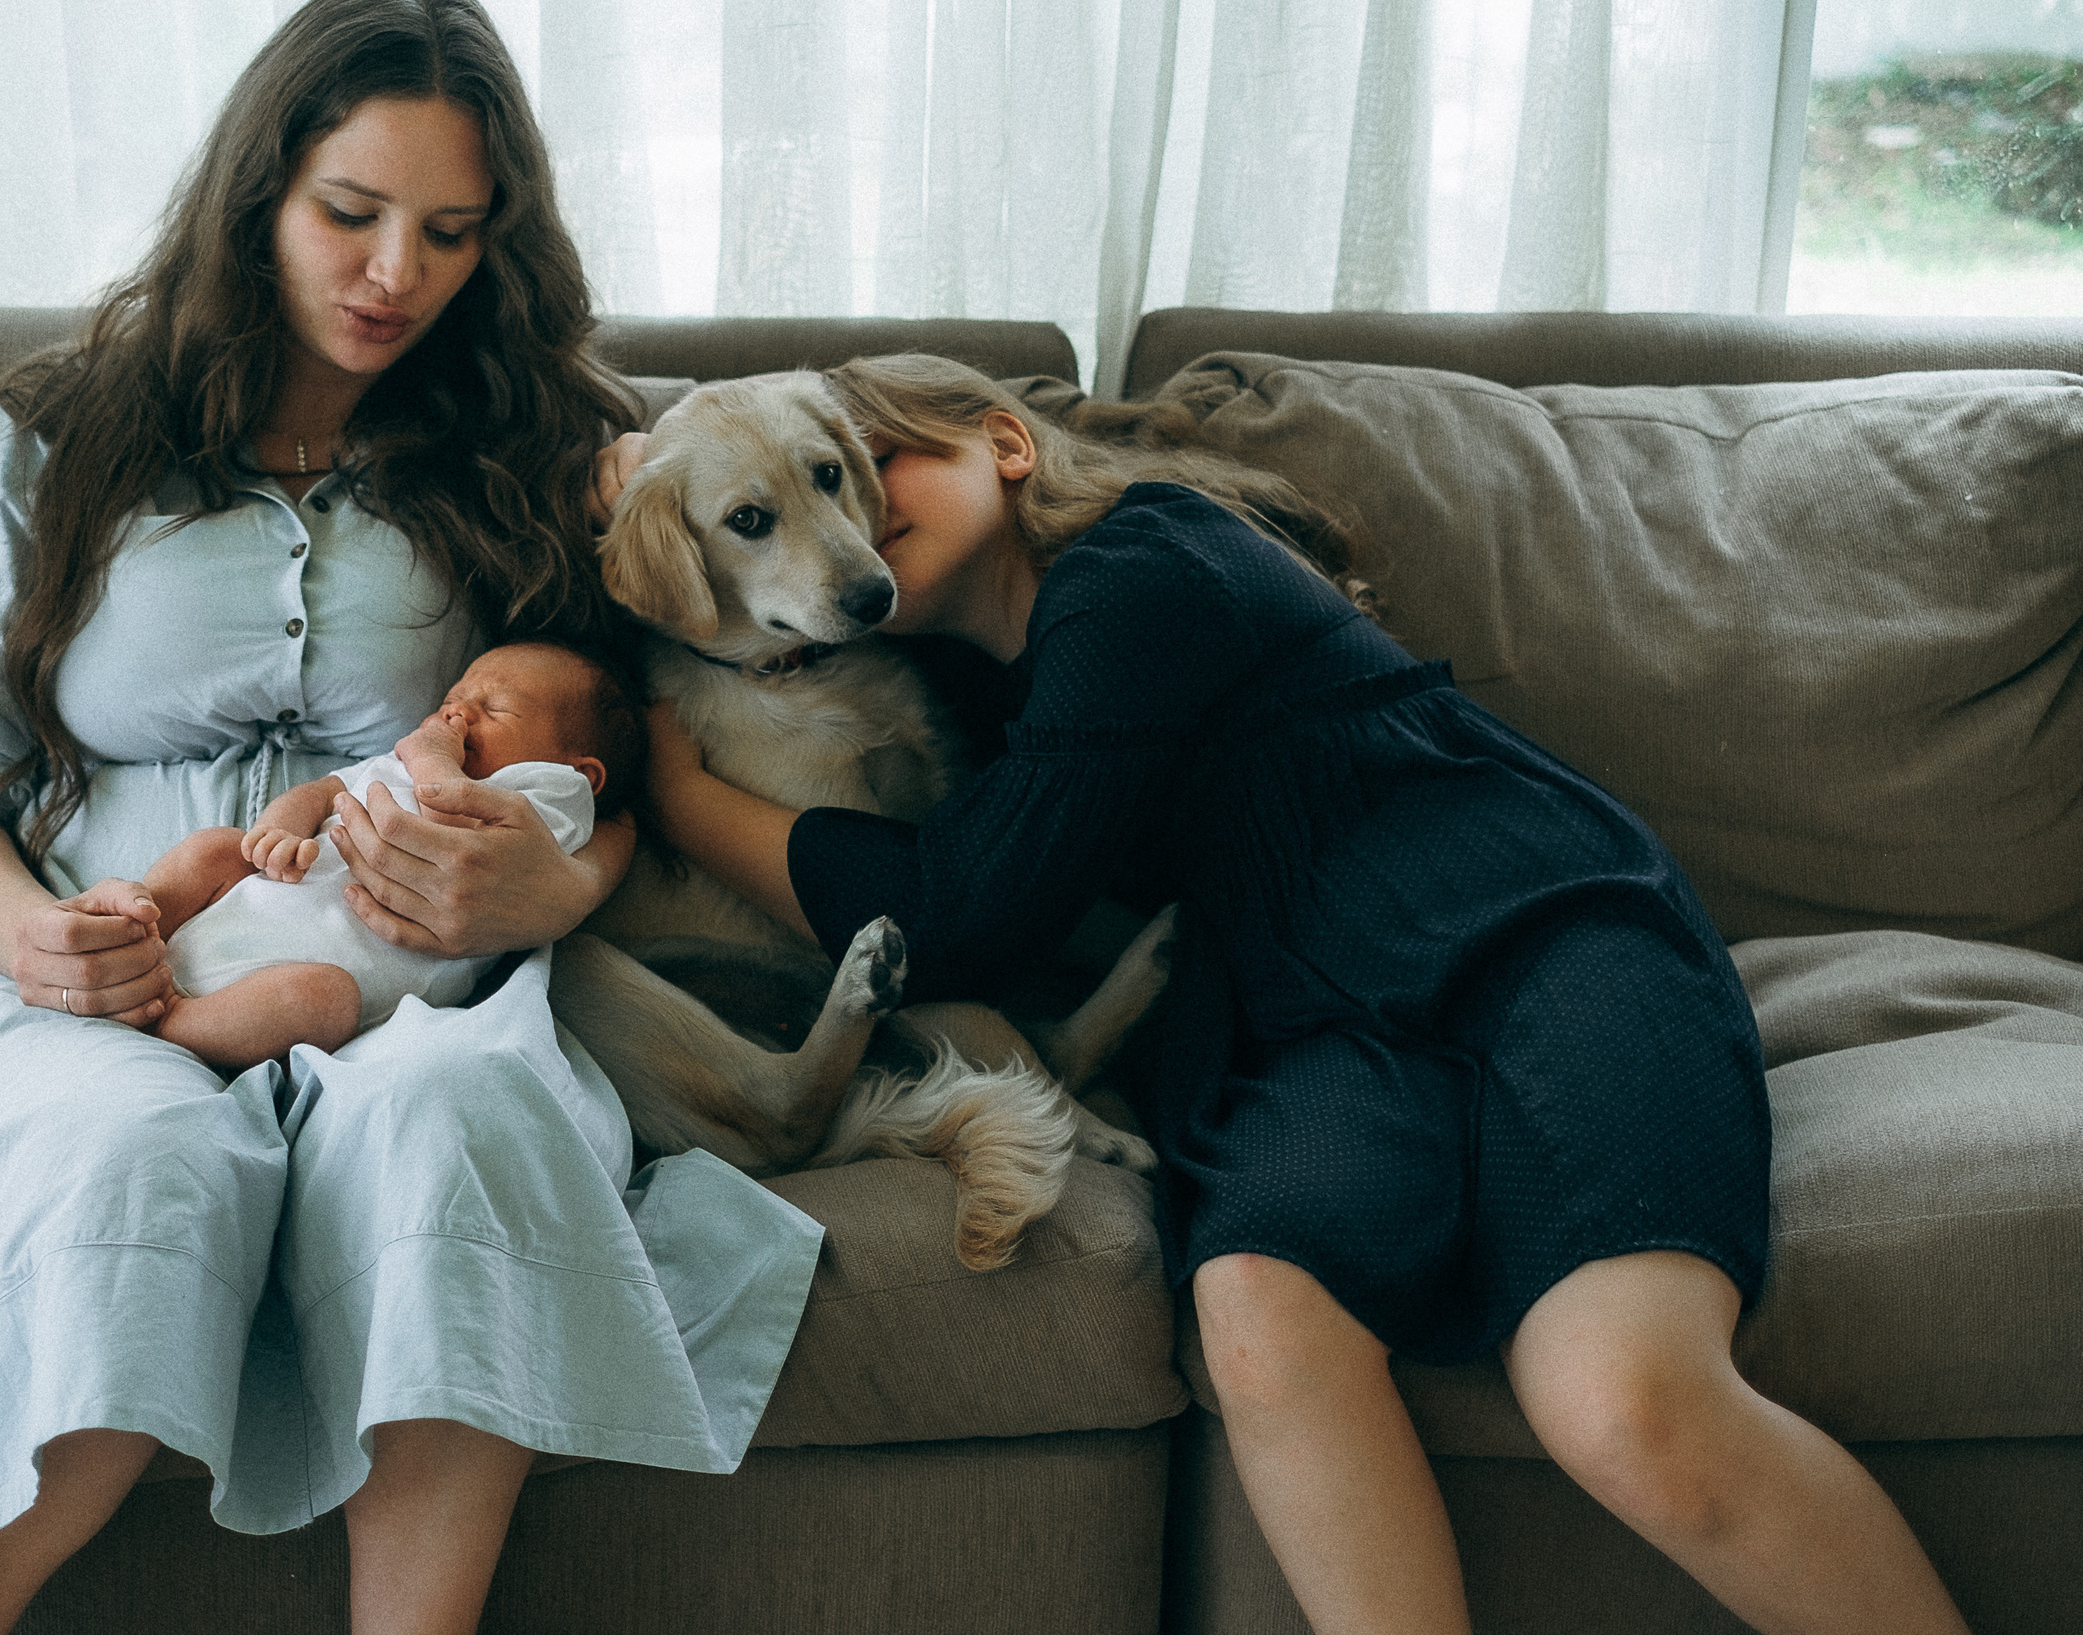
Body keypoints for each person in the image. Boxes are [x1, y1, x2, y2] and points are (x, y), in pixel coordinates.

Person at [0, 0, 820, 1635]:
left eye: (450, 232)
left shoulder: (546, 444)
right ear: (257, 197)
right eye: (351, 213)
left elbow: (633, 755)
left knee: (458, 1122)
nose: (396, 274)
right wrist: (36, 943)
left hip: (421, 991)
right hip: (105, 968)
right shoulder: (64, 436)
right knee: (127, 1152)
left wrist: (560, 892)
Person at [626, 352, 1971, 1635]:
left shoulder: (1143, 563)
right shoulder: (960, 689)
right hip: (1305, 1017)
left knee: (1619, 1399)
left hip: (1524, 927)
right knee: (1263, 1307)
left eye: (855, 463)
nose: (849, 512)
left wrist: (683, 802)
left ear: (1009, 444)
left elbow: (959, 913)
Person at [147, 641, 640, 1068]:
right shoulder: (398, 761)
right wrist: (278, 831)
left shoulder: (551, 794)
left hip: (286, 988)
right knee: (216, 847)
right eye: (451, 700)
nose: (457, 714)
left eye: (496, 710)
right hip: (242, 909)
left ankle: (169, 1020)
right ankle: (136, 926)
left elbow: (455, 844)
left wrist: (432, 757)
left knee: (323, 1001)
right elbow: (321, 792)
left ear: (581, 772)